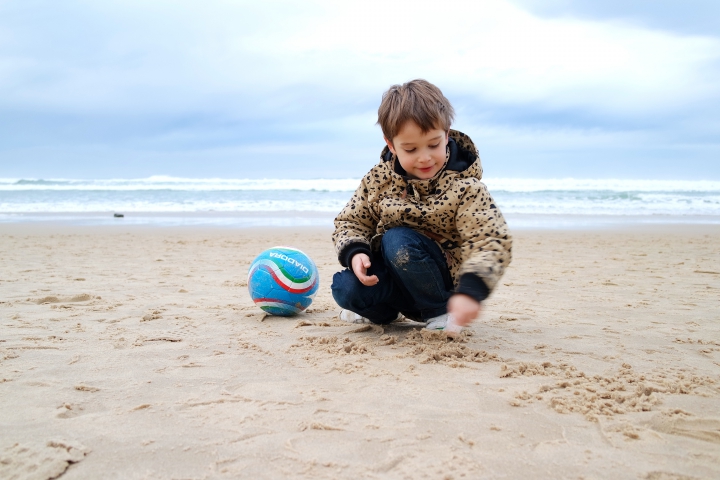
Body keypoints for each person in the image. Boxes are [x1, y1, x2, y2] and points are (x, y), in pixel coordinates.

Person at [331, 79, 512, 333]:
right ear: (391, 145)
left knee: (398, 240)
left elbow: (490, 238)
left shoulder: (466, 188)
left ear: (446, 133)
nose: (425, 157)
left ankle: (439, 312)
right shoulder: (378, 181)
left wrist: (472, 290)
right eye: (411, 149)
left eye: (434, 144)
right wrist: (356, 252)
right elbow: (351, 221)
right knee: (345, 288)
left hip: (441, 284)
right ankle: (383, 314)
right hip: (396, 282)